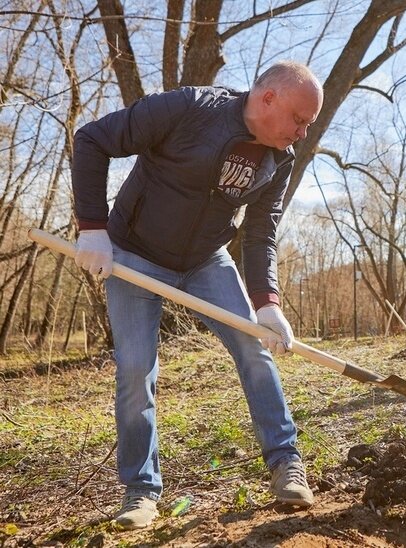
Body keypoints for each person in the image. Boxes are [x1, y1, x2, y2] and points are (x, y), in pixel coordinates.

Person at [71, 60, 323, 530]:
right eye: (299, 119)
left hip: (206, 259)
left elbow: (259, 233)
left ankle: (286, 462)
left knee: (254, 347)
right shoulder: (189, 107)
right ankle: (141, 490)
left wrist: (267, 302)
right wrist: (92, 227)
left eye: (307, 124)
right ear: (268, 98)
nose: (302, 133)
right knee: (134, 368)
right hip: (134, 253)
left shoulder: (278, 158)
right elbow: (92, 139)